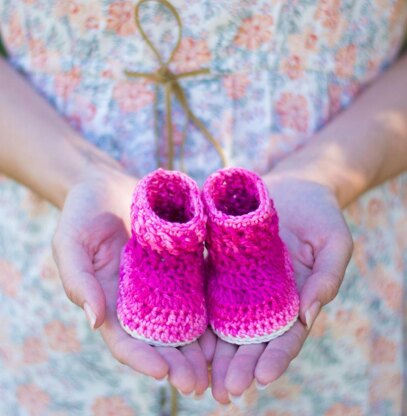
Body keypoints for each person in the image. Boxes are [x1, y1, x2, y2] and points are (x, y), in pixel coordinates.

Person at [0, 0, 406, 415]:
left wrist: (327, 175)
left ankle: (245, 231)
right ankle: (162, 236)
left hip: (343, 251)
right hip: (47, 258)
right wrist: (80, 175)